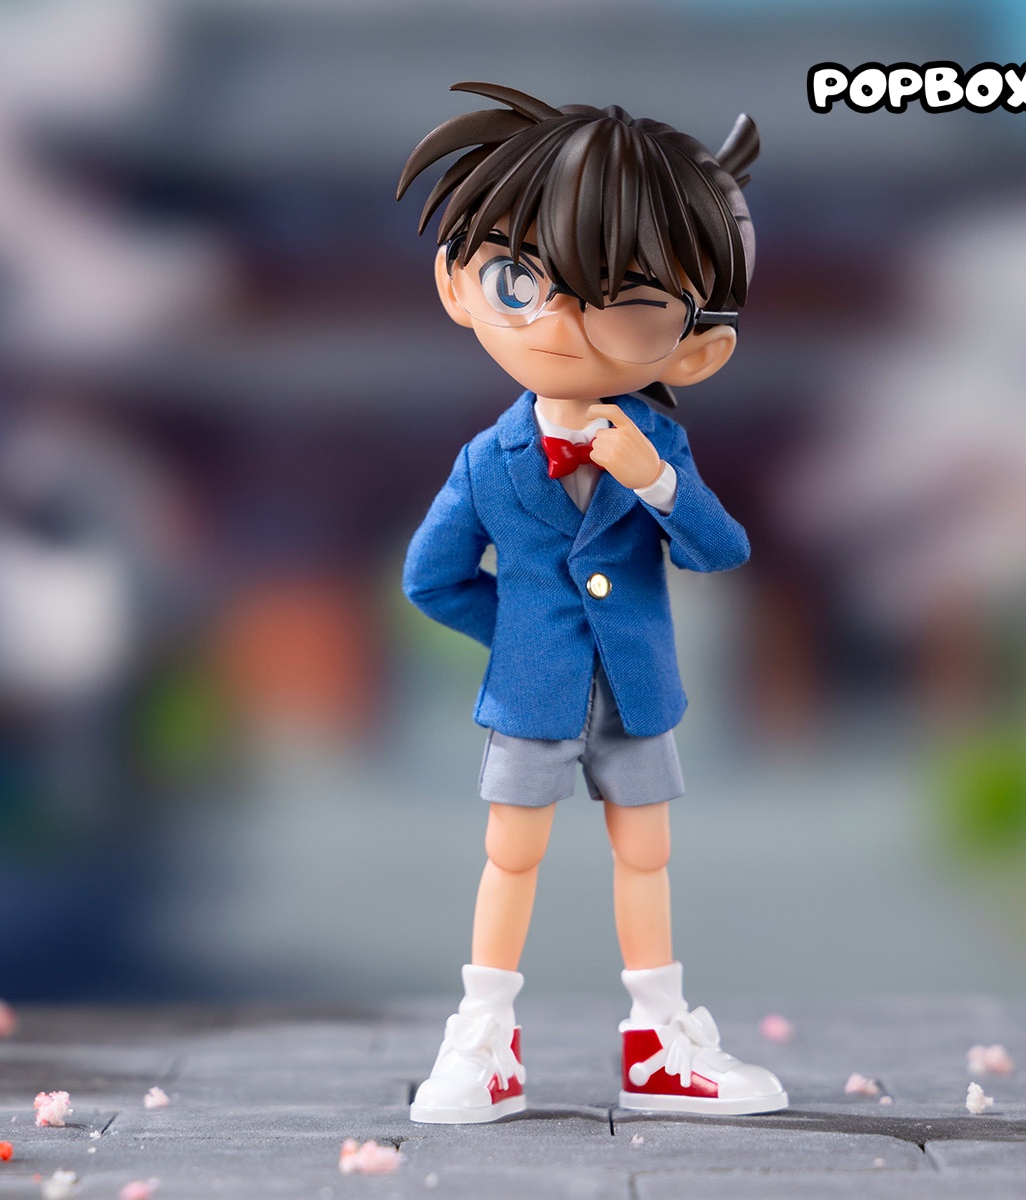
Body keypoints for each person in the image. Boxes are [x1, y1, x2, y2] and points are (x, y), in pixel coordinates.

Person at [396, 81, 786, 1123]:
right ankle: (483, 1034)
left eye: (623, 299)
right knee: (510, 856)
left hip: (637, 695)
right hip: (532, 701)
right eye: (520, 278)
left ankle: (661, 1040)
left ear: (697, 348)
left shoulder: (659, 444)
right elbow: (431, 578)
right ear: (458, 284)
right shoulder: (487, 462)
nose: (561, 322)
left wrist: (654, 482)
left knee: (644, 857)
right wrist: (519, 644)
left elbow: (721, 550)